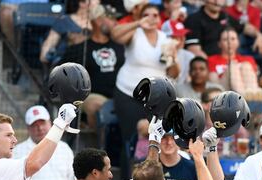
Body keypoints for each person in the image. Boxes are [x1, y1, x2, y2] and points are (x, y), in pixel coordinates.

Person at [113, 3, 179, 143]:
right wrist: (138, 24)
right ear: (139, 17)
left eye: (155, 15)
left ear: (160, 19)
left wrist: (172, 58)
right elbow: (115, 35)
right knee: (132, 138)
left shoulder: (166, 38)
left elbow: (173, 73)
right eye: (146, 15)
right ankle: (129, 165)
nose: (151, 18)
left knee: (154, 136)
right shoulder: (134, 33)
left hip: (156, 98)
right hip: (128, 93)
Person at [60, 4, 124, 129]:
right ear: (98, 21)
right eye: (111, 19)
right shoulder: (82, 48)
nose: (116, 23)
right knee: (98, 105)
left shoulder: (121, 46)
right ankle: (99, 144)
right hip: (92, 96)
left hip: (119, 95)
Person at [13, 105, 75, 180]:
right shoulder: (17, 152)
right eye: (34, 125)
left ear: (50, 123)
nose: (40, 128)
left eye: (43, 123)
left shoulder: (64, 148)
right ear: (28, 128)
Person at [183, 0, 262, 57]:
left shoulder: (225, 16)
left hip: (228, 63)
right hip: (209, 66)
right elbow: (194, 50)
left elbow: (245, 27)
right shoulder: (193, 20)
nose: (217, 1)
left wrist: (259, 35)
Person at [207, 27, 262, 101]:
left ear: (238, 42)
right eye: (225, 39)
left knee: (245, 65)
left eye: (233, 39)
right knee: (232, 66)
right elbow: (213, 82)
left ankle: (252, 97)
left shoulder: (248, 59)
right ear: (219, 44)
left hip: (246, 90)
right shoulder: (212, 60)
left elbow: (255, 77)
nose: (229, 42)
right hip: (223, 92)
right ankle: (243, 97)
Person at [40, 0, 100, 65]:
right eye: (96, 4)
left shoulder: (99, 24)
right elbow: (45, 54)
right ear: (82, 3)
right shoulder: (64, 21)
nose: (99, 7)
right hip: (67, 66)